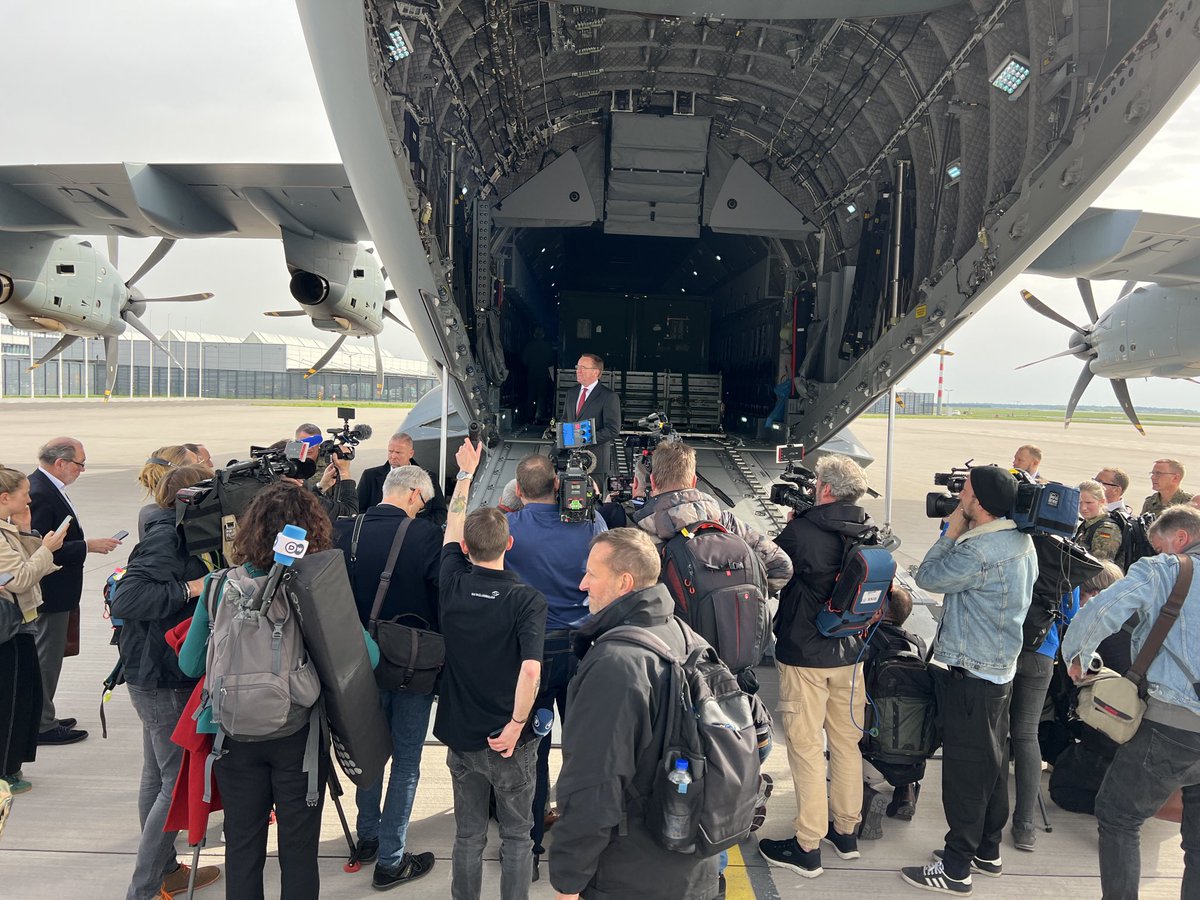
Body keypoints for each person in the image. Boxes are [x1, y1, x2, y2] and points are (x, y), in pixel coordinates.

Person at [178, 482, 341, 900]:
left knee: (243, 847)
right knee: (299, 852)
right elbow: (365, 657)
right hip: (297, 736)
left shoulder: (217, 586)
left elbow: (191, 663)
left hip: (232, 735)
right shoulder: (313, 586)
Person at [549, 527, 721, 900]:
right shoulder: (684, 637)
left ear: (624, 582)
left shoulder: (615, 665)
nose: (582, 584)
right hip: (693, 870)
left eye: (593, 574)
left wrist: (567, 879)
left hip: (631, 878)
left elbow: (594, 787)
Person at [899, 465, 1037, 895]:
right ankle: (987, 851)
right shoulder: (1020, 540)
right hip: (996, 670)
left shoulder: (979, 551)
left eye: (966, 493)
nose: (959, 498)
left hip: (969, 675)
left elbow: (926, 577)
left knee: (965, 775)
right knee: (992, 765)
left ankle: (957, 868)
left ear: (979, 504)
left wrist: (950, 531)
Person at [1062, 504, 1200, 899]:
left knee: (1119, 815)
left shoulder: (1164, 570)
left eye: (1161, 547)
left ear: (1181, 539)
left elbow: (1101, 609)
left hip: (1175, 724)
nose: (1158, 555)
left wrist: (1077, 657)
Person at [434, 438, 546, 900]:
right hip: (508, 742)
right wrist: (517, 725)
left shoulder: (452, 584)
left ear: (464, 548)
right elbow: (530, 673)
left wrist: (465, 475)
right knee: (518, 837)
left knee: (468, 836)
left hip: (462, 737)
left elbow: (451, 529)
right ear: (511, 544)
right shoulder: (526, 600)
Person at [108, 464, 222, 900]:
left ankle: (165, 871)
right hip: (161, 679)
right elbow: (129, 597)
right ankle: (145, 887)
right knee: (172, 786)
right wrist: (194, 588)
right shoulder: (166, 538)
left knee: (157, 779)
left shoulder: (175, 532)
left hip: (151, 674)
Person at [759, 454, 874, 877]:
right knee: (845, 743)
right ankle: (845, 831)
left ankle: (807, 843)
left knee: (806, 748)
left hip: (806, 654)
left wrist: (791, 528)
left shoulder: (804, 530)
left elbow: (771, 571)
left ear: (824, 489)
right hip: (851, 652)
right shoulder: (867, 529)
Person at [334, 465, 441, 889]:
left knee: (369, 749)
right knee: (407, 760)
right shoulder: (427, 536)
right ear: (414, 494)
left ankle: (368, 837)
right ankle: (391, 859)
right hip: (412, 664)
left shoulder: (345, 529)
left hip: (358, 661)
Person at [503, 454, 607, 872]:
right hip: (584, 646)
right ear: (558, 485)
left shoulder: (508, 529)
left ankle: (527, 849)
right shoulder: (591, 526)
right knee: (585, 747)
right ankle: (585, 847)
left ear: (521, 489)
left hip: (535, 651)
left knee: (532, 750)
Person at [28, 437, 122, 745]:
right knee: (46, 659)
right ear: (61, 463)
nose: (82, 470)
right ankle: (40, 724)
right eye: (80, 464)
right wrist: (87, 546)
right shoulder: (40, 492)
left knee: (50, 657)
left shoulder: (47, 488)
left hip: (58, 591)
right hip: (50, 593)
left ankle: (44, 714)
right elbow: (42, 549)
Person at [632, 441, 793, 595]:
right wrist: (751, 596)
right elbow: (781, 565)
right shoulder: (727, 522)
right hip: (733, 621)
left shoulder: (640, 535)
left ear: (652, 482)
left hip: (675, 622)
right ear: (694, 481)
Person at [0, 465, 65, 794]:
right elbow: (23, 577)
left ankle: (11, 765)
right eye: (24, 493)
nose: (30, 498)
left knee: (24, 695)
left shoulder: (7, 529)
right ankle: (5, 771)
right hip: (7, 630)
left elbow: (33, 568)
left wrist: (26, 531)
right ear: (5, 497)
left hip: (18, 624)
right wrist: (46, 548)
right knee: (11, 700)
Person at [859, 585, 926, 838]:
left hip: (871, 750)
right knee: (908, 720)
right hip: (913, 753)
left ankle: (866, 796)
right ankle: (906, 793)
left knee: (842, 737)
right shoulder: (917, 645)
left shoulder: (866, 640)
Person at [356, 431, 447, 524]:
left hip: (416, 534)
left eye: (398, 452)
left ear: (411, 453)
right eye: (390, 451)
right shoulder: (370, 476)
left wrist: (415, 526)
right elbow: (357, 509)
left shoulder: (428, 477)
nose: (393, 456)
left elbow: (440, 512)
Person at [561, 354, 621, 486]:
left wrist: (583, 439)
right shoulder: (571, 394)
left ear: (596, 372)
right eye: (577, 367)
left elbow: (613, 429)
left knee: (593, 503)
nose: (578, 370)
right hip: (571, 462)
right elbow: (565, 422)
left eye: (583, 367)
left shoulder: (609, 397)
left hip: (595, 464)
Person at [137, 445, 198, 539]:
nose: (208, 466)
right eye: (199, 463)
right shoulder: (187, 515)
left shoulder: (148, 512)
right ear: (184, 474)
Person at [1076, 480, 1124, 565]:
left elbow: (1100, 565)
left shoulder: (1107, 529)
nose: (1083, 508)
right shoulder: (1087, 524)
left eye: (1089, 503)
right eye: (1079, 503)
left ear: (1101, 501)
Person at [521, 326, 556, 425]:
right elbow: (551, 361)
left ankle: (529, 416)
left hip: (531, 373)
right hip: (543, 374)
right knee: (541, 397)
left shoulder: (529, 346)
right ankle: (539, 416)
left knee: (530, 396)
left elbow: (524, 360)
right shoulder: (547, 346)